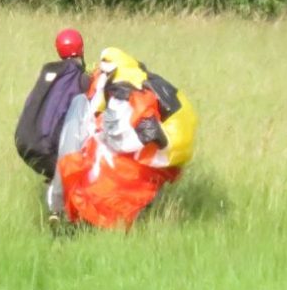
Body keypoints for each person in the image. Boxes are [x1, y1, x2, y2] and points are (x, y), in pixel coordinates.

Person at [54, 46, 194, 228]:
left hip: (162, 145)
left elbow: (144, 132)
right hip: (173, 145)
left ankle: (106, 220)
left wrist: (103, 132)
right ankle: (132, 219)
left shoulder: (125, 90)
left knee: (112, 175)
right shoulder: (141, 80)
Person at [15, 28, 86, 180]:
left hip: (24, 144)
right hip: (48, 149)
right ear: (81, 49)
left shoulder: (49, 74)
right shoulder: (79, 78)